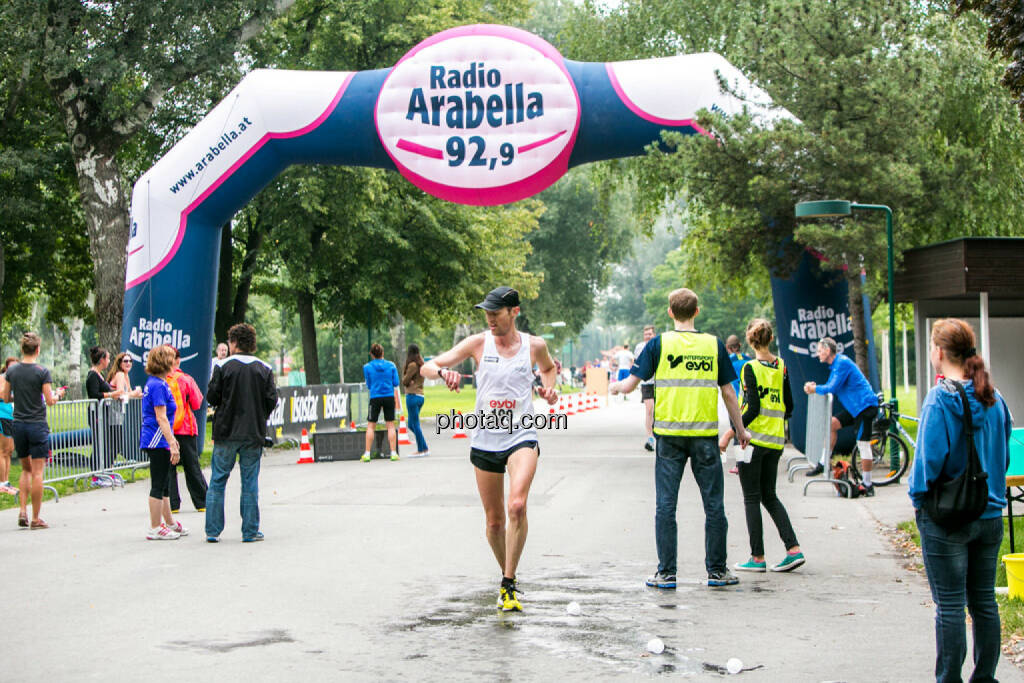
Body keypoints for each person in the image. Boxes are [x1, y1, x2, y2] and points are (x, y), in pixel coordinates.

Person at [421, 286, 559, 612]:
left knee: (517, 505)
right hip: (485, 438)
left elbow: (549, 370)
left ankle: (508, 583)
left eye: (496, 313)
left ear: (514, 312)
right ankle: (507, 574)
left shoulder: (534, 346)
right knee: (495, 522)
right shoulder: (479, 343)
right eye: (487, 313)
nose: (490, 318)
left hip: (521, 436)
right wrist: (443, 373)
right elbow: (427, 366)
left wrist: (549, 391)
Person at [609, 288, 748, 589]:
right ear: (697, 311)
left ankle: (667, 573)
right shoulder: (714, 345)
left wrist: (614, 388)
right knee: (713, 505)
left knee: (666, 505)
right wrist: (740, 429)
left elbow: (631, 384)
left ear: (670, 312)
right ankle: (717, 571)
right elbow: (728, 392)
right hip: (705, 438)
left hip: (669, 438)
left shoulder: (657, 345)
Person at [908, 319, 1011, 682]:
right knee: (984, 602)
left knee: (950, 606)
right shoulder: (994, 398)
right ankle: (985, 677)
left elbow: (927, 465)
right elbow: (1003, 457)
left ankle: (948, 678)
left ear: (938, 352)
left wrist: (918, 503)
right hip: (991, 514)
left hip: (948, 519)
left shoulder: (940, 398)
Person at [732, 319, 804, 574]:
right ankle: (793, 549)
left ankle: (757, 557)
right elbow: (790, 405)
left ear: (750, 341)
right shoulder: (781, 366)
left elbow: (751, 408)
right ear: (770, 339)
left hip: (751, 441)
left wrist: (732, 432)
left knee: (751, 498)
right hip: (775, 442)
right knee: (769, 496)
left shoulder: (749, 368)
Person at [205, 323, 278, 543]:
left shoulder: (222, 366)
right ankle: (250, 530)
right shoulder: (264, 368)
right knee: (249, 482)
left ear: (234, 342)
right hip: (252, 433)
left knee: (218, 480)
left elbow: (212, 397)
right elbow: (271, 400)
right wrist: (259, 415)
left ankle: (213, 530)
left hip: (226, 431)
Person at [1, 333, 66, 529]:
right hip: (37, 424)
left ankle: (22, 510)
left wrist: (20, 397)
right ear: (38, 350)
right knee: (38, 472)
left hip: (18, 424)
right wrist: (57, 396)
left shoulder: (12, 372)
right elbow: (49, 401)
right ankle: (36, 518)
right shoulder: (42, 371)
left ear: (22, 349)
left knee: (25, 469)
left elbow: (5, 398)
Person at [802, 337, 879, 496]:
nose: (818, 354)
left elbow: (832, 387)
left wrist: (814, 388)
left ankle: (868, 484)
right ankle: (823, 463)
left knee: (863, 445)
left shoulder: (842, 363)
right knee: (832, 424)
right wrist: (816, 387)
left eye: (819, 350)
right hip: (855, 408)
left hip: (864, 407)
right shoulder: (836, 365)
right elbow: (830, 386)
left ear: (827, 350)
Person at [139, 345, 187, 540]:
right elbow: (161, 417)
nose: (175, 362)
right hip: (157, 439)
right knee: (158, 483)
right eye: (172, 359)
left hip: (159, 439)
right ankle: (154, 526)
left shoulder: (159, 382)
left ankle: (169, 522)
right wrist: (172, 442)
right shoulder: (158, 385)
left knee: (166, 482)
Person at [166, 347, 208, 513]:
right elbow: (197, 403)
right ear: (178, 360)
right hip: (186, 428)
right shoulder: (185, 379)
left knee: (169, 468)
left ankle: (172, 504)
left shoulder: (159, 380)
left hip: (166, 430)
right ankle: (202, 502)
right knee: (192, 466)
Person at [85, 346, 123, 473]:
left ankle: (105, 470)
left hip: (103, 413)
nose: (109, 361)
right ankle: (96, 472)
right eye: (107, 358)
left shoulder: (99, 375)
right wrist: (112, 394)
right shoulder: (92, 375)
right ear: (102, 360)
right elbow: (95, 394)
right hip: (96, 413)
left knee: (107, 442)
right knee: (99, 443)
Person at [362, 343, 401, 462]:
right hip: (389, 396)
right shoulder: (391, 365)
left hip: (375, 397)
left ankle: (367, 454)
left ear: (371, 354)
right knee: (390, 425)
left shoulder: (367, 367)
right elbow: (396, 383)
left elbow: (368, 384)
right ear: (383, 353)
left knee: (371, 425)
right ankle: (393, 453)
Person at [719, 335, 752, 474]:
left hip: (735, 401)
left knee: (738, 431)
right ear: (739, 345)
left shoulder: (728, 361)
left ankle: (740, 465)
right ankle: (746, 462)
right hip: (748, 400)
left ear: (728, 348)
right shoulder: (749, 360)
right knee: (745, 431)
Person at [402, 344, 429, 456]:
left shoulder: (412, 365)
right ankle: (424, 447)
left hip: (412, 395)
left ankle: (421, 450)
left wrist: (408, 381)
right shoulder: (421, 364)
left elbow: (404, 381)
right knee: (411, 424)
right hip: (420, 396)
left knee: (415, 424)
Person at [634, 326, 657, 451]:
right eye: (646, 334)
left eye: (650, 334)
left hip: (659, 382)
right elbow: (637, 364)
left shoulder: (659, 346)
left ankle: (658, 434)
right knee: (649, 409)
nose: (648, 336)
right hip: (646, 382)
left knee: (658, 411)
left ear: (654, 334)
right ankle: (650, 438)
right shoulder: (639, 347)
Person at [0, 357, 18, 495]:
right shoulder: (2, 378)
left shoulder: (14, 381)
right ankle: (2, 483)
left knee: (10, 451)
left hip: (11, 417)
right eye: (11, 367)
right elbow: (1, 395)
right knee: (3, 451)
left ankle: (6, 482)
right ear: (6, 368)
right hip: (2, 416)